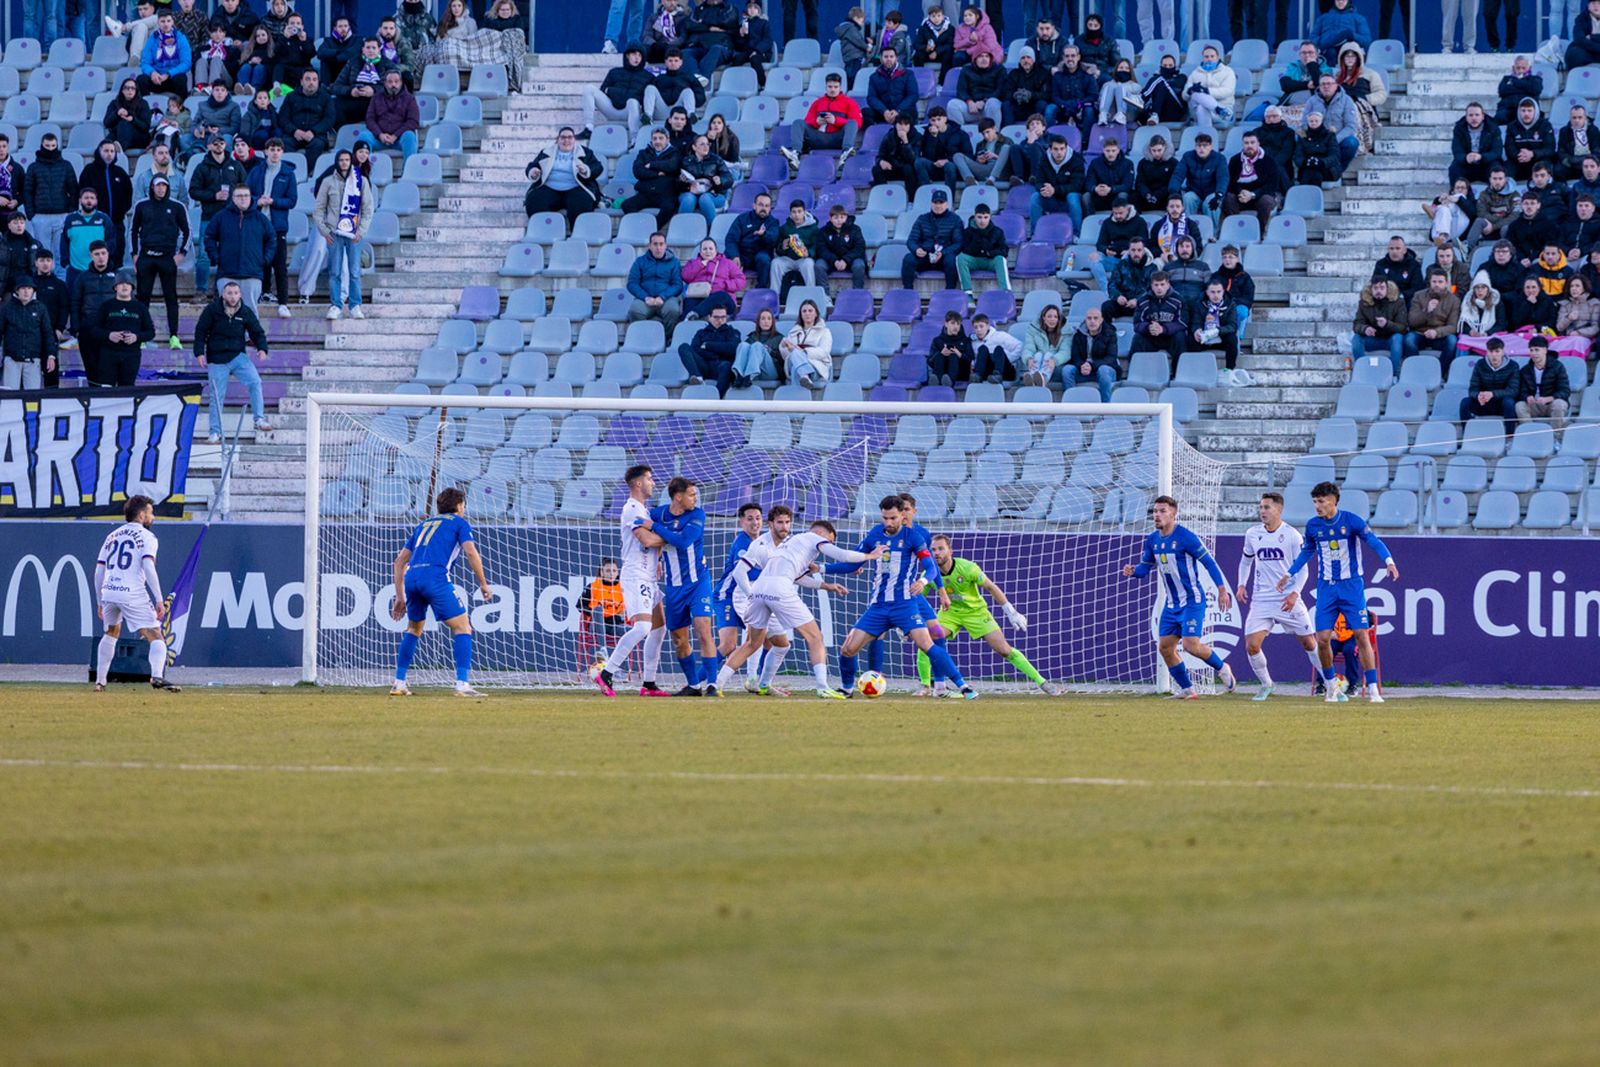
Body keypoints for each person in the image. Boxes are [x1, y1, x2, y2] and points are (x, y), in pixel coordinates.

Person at [713, 516, 876, 701]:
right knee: (815, 637)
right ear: (821, 533)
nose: (826, 546)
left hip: (759, 588)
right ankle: (822, 687)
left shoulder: (789, 543)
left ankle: (720, 685)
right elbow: (844, 556)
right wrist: (871, 556)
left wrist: (828, 585)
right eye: (828, 540)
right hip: (779, 587)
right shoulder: (813, 537)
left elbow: (799, 577)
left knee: (755, 643)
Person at [829, 498, 973, 701]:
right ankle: (846, 689)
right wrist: (823, 568)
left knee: (929, 642)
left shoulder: (914, 537)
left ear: (903, 515)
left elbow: (931, 567)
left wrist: (924, 581)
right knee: (848, 648)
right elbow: (852, 564)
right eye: (885, 518)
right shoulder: (874, 534)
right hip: (878, 607)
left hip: (905, 604)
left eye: (893, 518)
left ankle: (962, 686)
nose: (889, 522)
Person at [1279, 480, 1398, 703]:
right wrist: (1289, 573)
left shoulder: (1351, 521)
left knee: (1362, 635)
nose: (1317, 505)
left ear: (1333, 501)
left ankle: (1372, 689)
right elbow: (1307, 552)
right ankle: (1332, 686)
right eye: (1314, 501)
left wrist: (1388, 561)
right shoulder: (1313, 525)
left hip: (1352, 586)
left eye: (1321, 501)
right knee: (1322, 639)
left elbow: (1372, 540)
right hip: (1326, 587)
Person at [1122, 495, 1236, 700]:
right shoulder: (1153, 540)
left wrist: (1221, 590)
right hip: (1171, 603)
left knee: (1192, 646)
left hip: (1193, 601)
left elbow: (1210, 563)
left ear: (1173, 514)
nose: (1157, 515)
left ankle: (1222, 668)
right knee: (1165, 648)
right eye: (1155, 511)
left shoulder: (1186, 537)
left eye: (1162, 511)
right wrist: (1133, 571)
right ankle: (1188, 690)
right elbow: (1145, 568)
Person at [389, 487, 492, 699]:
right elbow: (471, 551)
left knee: (413, 629)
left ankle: (399, 683)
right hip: (434, 578)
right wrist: (483, 583)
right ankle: (462, 685)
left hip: (412, 579)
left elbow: (399, 561)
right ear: (460, 506)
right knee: (463, 627)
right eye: (463, 505)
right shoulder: (459, 523)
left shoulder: (423, 524)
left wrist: (399, 596)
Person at [919, 534, 1053, 694]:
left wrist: (1011, 612)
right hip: (950, 613)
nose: (937, 553)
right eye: (933, 550)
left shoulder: (968, 568)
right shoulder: (929, 574)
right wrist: (912, 620)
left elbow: (991, 587)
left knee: (1004, 650)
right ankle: (926, 686)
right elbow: (919, 597)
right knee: (928, 639)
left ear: (950, 551)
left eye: (941, 549)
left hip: (976, 612)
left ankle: (1042, 682)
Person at [1232, 492, 1325, 701]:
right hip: (1261, 599)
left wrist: (1294, 593)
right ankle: (1267, 684)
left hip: (1287, 598)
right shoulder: (1252, 534)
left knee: (1309, 643)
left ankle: (1331, 683)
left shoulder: (1292, 535)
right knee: (1252, 645)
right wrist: (1240, 584)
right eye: (1261, 507)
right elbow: (1246, 561)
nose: (1262, 511)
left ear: (1279, 510)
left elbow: (1303, 570)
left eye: (1267, 507)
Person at [93, 496, 181, 693]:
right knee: (155, 634)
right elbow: (148, 567)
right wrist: (159, 599)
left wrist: (100, 600)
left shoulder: (112, 536)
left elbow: (99, 571)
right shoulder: (148, 537)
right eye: (151, 513)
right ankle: (157, 676)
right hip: (132, 592)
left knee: (110, 633)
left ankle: (100, 682)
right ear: (142, 515)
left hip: (109, 591)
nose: (153, 517)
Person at [194, 278, 270, 442]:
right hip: (216, 359)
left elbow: (257, 332)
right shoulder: (212, 310)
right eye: (230, 293)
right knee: (216, 396)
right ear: (223, 295)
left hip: (238, 356)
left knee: (255, 382)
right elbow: (200, 331)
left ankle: (259, 419)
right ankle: (215, 432)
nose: (233, 297)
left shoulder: (245, 311)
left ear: (240, 295)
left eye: (236, 293)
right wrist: (199, 352)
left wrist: (262, 348)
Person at [129, 175, 189, 346]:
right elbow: (132, 230)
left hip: (167, 258)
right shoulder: (142, 205)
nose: (161, 188)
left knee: (171, 297)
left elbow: (187, 231)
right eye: (158, 185)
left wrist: (181, 254)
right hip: (146, 257)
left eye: (164, 185)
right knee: (143, 297)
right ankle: (141, 337)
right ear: (152, 187)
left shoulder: (177, 206)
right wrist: (134, 254)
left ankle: (174, 336)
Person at [313, 150, 370, 320]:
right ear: (337, 161)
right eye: (341, 160)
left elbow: (368, 209)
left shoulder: (361, 181)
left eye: (347, 160)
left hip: (354, 235)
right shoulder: (327, 182)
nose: (344, 163)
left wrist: (361, 231)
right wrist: (324, 231)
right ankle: (336, 305)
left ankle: (355, 306)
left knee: (354, 271)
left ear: (351, 161)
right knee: (335, 272)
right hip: (334, 234)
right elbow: (318, 210)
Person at [206, 185, 276, 313]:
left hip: (252, 274)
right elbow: (209, 237)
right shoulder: (221, 217)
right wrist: (216, 258)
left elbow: (272, 240)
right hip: (227, 273)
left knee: (250, 314)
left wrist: (265, 260)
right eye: (239, 196)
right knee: (225, 315)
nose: (243, 199)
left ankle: (251, 335)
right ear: (233, 198)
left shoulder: (261, 219)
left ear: (250, 198)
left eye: (246, 196)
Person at [246, 139, 297, 316]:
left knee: (279, 263)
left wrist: (274, 201)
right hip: (259, 223)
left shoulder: (288, 173)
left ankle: (283, 302)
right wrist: (256, 201)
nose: (275, 153)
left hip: (278, 225)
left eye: (278, 150)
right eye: (271, 149)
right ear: (265, 151)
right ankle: (264, 293)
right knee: (261, 262)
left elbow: (292, 201)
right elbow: (247, 194)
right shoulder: (256, 171)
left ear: (282, 152)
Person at [90, 269, 156, 387]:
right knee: (106, 388)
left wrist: (136, 337)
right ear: (115, 287)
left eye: (127, 283)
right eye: (120, 283)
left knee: (127, 389)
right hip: (108, 354)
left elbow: (150, 332)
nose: (124, 286)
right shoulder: (107, 306)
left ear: (132, 287)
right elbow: (94, 330)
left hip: (131, 354)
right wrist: (109, 335)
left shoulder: (140, 307)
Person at [523, 127, 603, 221]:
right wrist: (533, 172)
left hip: (577, 187)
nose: (566, 140)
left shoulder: (585, 152)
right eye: (563, 137)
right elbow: (533, 165)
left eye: (570, 137)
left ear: (574, 140)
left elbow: (598, 166)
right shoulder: (547, 152)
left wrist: (586, 170)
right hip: (550, 187)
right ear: (558, 139)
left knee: (581, 203)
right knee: (535, 201)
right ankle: (544, 232)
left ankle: (578, 233)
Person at [0, 277, 58, 391]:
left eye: (29, 288)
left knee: (33, 398)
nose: (26, 291)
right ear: (17, 290)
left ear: (33, 290)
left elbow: (48, 333)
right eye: (23, 288)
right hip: (12, 359)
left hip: (33, 359)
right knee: (10, 396)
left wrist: (51, 356)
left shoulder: (40, 308)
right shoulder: (7, 308)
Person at [582, 45, 650, 139]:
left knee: (633, 101)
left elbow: (643, 99)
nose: (637, 58)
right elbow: (603, 90)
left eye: (640, 55)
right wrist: (624, 93)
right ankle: (588, 128)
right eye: (634, 54)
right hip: (611, 109)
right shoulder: (614, 72)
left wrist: (612, 91)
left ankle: (635, 138)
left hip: (630, 112)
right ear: (627, 55)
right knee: (588, 88)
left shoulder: (648, 77)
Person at [902, 187, 962, 290]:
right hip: (925, 255)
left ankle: (950, 292)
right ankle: (908, 292)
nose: (938, 205)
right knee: (908, 259)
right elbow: (911, 240)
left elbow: (959, 243)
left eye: (941, 202)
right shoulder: (922, 219)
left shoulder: (955, 220)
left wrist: (943, 253)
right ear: (931, 203)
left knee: (951, 260)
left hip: (944, 256)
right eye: (935, 202)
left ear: (947, 204)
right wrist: (917, 249)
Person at [626, 232, 685, 337]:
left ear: (666, 245)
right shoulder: (640, 261)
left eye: (661, 244)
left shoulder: (674, 262)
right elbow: (632, 283)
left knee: (673, 310)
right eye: (655, 244)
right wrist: (645, 297)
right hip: (645, 298)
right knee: (635, 311)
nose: (658, 247)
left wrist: (663, 297)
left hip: (666, 298)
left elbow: (677, 285)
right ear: (649, 246)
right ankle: (642, 338)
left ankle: (667, 339)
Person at [279, 70, 337, 173]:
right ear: (301, 81)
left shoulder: (326, 98)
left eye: (314, 80)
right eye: (308, 79)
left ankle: (305, 172)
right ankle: (289, 172)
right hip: (294, 134)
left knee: (317, 145)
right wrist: (294, 131)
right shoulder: (291, 97)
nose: (311, 82)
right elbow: (283, 118)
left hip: (316, 135)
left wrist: (314, 131)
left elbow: (329, 119)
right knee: (284, 144)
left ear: (318, 82)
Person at [1458, 338, 1520, 432]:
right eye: (1491, 351)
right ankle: (1467, 433)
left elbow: (1513, 391)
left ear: (1503, 352)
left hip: (1501, 404)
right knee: (1465, 403)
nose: (1494, 355)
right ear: (1487, 352)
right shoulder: (1480, 364)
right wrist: (1478, 395)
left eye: (1497, 351)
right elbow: (1472, 389)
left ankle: (1509, 436)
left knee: (1509, 403)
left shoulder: (1513, 366)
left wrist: (1492, 394)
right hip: (1484, 403)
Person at [359, 70, 421, 163]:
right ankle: (365, 172)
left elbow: (413, 121)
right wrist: (380, 134)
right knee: (364, 136)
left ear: (401, 82)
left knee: (410, 136)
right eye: (390, 82)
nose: (393, 85)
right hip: (379, 139)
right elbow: (370, 119)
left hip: (400, 139)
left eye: (396, 81)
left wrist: (395, 135)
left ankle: (409, 172)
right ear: (385, 83)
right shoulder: (376, 97)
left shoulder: (409, 99)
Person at [77, 141, 135, 243]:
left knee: (117, 254)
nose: (109, 154)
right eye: (106, 151)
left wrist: (121, 211)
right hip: (94, 223)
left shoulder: (120, 172)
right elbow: (83, 192)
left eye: (112, 151)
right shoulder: (89, 171)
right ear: (99, 152)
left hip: (117, 223)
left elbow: (128, 193)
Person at [679, 301, 741, 395]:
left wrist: (708, 345)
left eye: (723, 317)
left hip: (722, 367)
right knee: (683, 347)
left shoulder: (733, 332)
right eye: (716, 317)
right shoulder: (701, 333)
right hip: (704, 366)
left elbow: (733, 349)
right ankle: (698, 378)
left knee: (726, 366)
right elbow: (695, 349)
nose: (720, 320)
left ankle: (716, 398)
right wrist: (718, 353)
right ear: (709, 317)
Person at [1132, 271, 1187, 375]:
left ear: (1168, 284)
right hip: (1151, 336)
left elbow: (1182, 323)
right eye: (1156, 285)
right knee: (1137, 338)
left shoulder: (1178, 300)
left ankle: (1178, 374)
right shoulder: (1143, 300)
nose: (1159, 288)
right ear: (1151, 286)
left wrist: (1163, 329)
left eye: (1162, 284)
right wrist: (1148, 328)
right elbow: (1137, 323)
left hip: (1170, 337)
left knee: (1181, 337)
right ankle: (1136, 373)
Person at [1350, 276, 1408, 375]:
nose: (1378, 291)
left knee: (1398, 338)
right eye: (1375, 288)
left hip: (1390, 339)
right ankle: (1362, 371)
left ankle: (1394, 373)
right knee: (1356, 339)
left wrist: (1387, 324)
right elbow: (1357, 324)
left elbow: (1403, 327)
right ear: (1371, 289)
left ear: (1387, 289)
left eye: (1382, 288)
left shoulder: (1398, 302)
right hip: (1373, 339)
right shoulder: (1364, 303)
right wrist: (1365, 329)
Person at [1028, 134, 1084, 236]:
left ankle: (1077, 234)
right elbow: (1038, 181)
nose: (1059, 152)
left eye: (1062, 149)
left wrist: (1055, 190)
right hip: (1051, 198)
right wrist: (1044, 189)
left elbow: (1077, 186)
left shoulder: (1076, 160)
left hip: (1068, 199)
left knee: (1072, 197)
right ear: (1050, 149)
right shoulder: (1044, 160)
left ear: (1066, 148)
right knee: (1035, 197)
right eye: (1056, 149)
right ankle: (1034, 234)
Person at [61, 190, 120, 284]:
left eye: (92, 198)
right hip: (75, 270)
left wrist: (105, 262)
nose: (89, 201)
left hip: (98, 270)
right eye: (86, 198)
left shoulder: (104, 219)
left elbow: (112, 242)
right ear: (80, 200)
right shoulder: (70, 219)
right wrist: (67, 264)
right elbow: (64, 242)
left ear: (96, 201)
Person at [681, 237, 747, 320]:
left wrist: (723, 285)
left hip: (723, 299)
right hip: (699, 296)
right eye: (705, 249)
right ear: (700, 251)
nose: (708, 251)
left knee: (721, 295)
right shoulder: (693, 263)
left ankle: (695, 313)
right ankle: (684, 324)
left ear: (716, 250)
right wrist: (700, 264)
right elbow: (685, 276)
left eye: (710, 248)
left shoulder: (728, 263)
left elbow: (741, 281)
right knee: (690, 301)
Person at [1306, 74, 1360, 173]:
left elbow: (1351, 126)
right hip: (1317, 140)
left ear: (1336, 85)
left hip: (1337, 139)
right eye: (1323, 84)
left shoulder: (1346, 100)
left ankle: (1336, 170)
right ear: (1319, 86)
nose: (1326, 86)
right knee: (1297, 138)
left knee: (1352, 142)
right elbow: (1304, 123)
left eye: (1329, 84)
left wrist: (1334, 139)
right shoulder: (1311, 101)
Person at [1170, 133, 1225, 226]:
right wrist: (1173, 191)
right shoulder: (1188, 157)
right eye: (1199, 145)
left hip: (1212, 192)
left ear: (1211, 146)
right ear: (1195, 146)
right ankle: (1187, 229)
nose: (1201, 148)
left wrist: (1219, 194)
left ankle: (1213, 233)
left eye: (1205, 145)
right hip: (1194, 191)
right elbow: (1178, 175)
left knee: (1211, 201)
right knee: (1187, 198)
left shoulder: (1219, 158)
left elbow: (1223, 178)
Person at [726, 192, 780, 285]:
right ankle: (725, 287)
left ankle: (761, 289)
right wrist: (735, 256)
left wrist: (764, 235)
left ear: (770, 208)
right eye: (761, 205)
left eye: (767, 206)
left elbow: (773, 240)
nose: (764, 208)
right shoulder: (742, 218)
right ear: (754, 206)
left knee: (764, 259)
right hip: (742, 253)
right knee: (726, 256)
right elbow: (731, 239)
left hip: (761, 253)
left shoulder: (773, 222)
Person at [1518, 337, 1573, 427]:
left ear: (1545, 350)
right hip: (1534, 405)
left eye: (1537, 350)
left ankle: (1556, 435)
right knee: (1519, 406)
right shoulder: (1525, 370)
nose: (1533, 353)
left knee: (1559, 404)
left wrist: (1549, 398)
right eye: (1531, 350)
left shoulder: (1557, 367)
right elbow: (1522, 391)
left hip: (1552, 403)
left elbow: (1565, 391)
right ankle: (1529, 432)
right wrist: (1527, 397)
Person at [954, 203, 1008, 296]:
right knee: (960, 258)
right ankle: (967, 295)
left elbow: (1004, 250)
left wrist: (989, 253)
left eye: (985, 217)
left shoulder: (997, 231)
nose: (982, 221)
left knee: (1000, 259)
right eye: (979, 217)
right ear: (974, 216)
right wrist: (979, 238)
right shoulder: (967, 232)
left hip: (990, 260)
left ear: (990, 217)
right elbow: (965, 249)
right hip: (973, 261)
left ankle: (1005, 293)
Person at [771, 199, 820, 300]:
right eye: (794, 212)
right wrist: (782, 247)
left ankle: (811, 296)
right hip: (788, 259)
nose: (796, 215)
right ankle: (775, 296)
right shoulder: (784, 228)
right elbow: (778, 249)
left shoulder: (813, 228)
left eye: (799, 211)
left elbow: (816, 246)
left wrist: (809, 253)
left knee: (808, 264)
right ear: (790, 213)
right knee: (776, 263)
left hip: (803, 259)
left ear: (804, 212)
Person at [677, 136, 733, 224]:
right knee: (688, 199)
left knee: (705, 198)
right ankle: (680, 228)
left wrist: (720, 180)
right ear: (694, 147)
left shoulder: (716, 159)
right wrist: (683, 183)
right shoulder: (686, 161)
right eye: (702, 144)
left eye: (707, 144)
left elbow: (729, 178)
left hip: (714, 194)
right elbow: (676, 183)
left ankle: (712, 231)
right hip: (691, 194)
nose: (706, 146)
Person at [1067, 305, 1118, 399]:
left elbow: (1111, 358)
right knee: (1067, 370)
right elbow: (1075, 356)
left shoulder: (1110, 334)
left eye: (1095, 318)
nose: (1092, 321)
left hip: (1105, 371)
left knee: (1103, 370)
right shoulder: (1078, 335)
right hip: (1084, 370)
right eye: (1089, 318)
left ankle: (1106, 408)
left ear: (1101, 320)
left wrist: (1092, 365)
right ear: (1085, 320)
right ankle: (1071, 403)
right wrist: (1082, 365)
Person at [138, 11, 193, 99]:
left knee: (181, 78)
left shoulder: (180, 38)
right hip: (156, 78)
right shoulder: (153, 38)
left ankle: (181, 107)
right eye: (163, 21)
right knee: (141, 79)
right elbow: (145, 62)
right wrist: (152, 73)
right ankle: (146, 107)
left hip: (172, 78)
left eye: (168, 21)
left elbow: (186, 63)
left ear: (173, 22)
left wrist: (168, 74)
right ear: (158, 22)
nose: (166, 24)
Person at [779, 298, 832, 388]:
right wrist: (784, 347)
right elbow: (785, 357)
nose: (807, 313)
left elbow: (824, 352)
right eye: (804, 311)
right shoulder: (793, 332)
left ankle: (804, 377)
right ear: (801, 314)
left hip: (815, 366)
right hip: (794, 361)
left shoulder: (824, 331)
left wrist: (804, 352)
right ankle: (805, 376)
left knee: (796, 369)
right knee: (795, 356)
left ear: (816, 314)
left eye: (810, 311)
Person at [1189, 278, 1239, 371]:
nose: (1216, 295)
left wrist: (1217, 331)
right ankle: (1195, 370)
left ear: (1223, 292)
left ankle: (1229, 370)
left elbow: (1232, 326)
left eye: (1219, 292)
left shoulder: (1230, 304)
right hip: (1204, 338)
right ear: (1207, 292)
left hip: (1221, 338)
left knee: (1232, 339)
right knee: (1190, 339)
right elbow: (1196, 322)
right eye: (1212, 292)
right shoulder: (1199, 304)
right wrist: (1196, 330)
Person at [1448, 103, 1504, 187]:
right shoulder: (1459, 128)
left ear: (1483, 116)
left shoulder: (1493, 128)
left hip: (1486, 163)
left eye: (1477, 115)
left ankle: (1496, 196)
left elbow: (1497, 151)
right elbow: (1457, 150)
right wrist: (1465, 158)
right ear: (1466, 117)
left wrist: (1481, 157)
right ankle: (1457, 195)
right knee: (1454, 168)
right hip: (1467, 164)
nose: (1474, 118)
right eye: (1470, 115)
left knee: (1496, 168)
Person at [1185, 45, 1236, 135]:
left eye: (1212, 56)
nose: (1209, 59)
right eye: (1206, 57)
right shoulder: (1195, 73)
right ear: (1203, 58)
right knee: (1195, 95)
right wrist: (1189, 91)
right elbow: (1184, 95)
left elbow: (1228, 91)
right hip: (1202, 113)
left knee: (1201, 106)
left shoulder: (1227, 71)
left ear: (1217, 57)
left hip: (1223, 109)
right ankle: (1218, 109)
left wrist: (1207, 91)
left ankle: (1206, 139)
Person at [863, 45, 919, 128]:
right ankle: (872, 135)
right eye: (886, 57)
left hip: (902, 111)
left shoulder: (908, 74)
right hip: (883, 112)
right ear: (881, 59)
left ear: (896, 58)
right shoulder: (874, 77)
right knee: (865, 112)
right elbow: (871, 97)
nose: (889, 59)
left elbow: (913, 95)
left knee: (911, 113)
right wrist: (884, 111)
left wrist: (898, 111)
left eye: (891, 56)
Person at [1103, 236, 1156, 322]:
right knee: (1106, 307)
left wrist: (1137, 300)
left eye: (1139, 250)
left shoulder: (1152, 268)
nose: (1136, 253)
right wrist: (1118, 296)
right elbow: (1112, 284)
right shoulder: (1120, 265)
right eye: (1133, 250)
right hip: (1122, 303)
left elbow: (1152, 289)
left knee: (1149, 308)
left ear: (1144, 251)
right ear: (1129, 251)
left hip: (1141, 304)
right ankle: (1108, 333)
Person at [818, 204, 868, 291]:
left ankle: (858, 292)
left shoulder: (855, 229)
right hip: (831, 260)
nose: (839, 220)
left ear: (846, 217)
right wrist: (834, 260)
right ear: (830, 218)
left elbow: (860, 247)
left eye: (842, 217)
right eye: (836, 218)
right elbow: (821, 249)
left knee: (859, 265)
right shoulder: (824, 231)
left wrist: (845, 260)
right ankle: (825, 296)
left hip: (851, 259)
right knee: (819, 265)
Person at [1505, 97, 1556, 183]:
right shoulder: (1512, 126)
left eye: (1529, 110)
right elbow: (1509, 148)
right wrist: (1520, 155)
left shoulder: (1545, 125)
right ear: (1519, 111)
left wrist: (1533, 154)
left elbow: (1550, 149)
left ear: (1535, 111)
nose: (1526, 114)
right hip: (1518, 160)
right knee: (1506, 168)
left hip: (1538, 160)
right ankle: (1507, 193)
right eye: (1523, 110)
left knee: (1547, 165)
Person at [1048, 45, 1097, 133]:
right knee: (1050, 109)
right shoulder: (1057, 75)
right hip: (1063, 108)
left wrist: (1080, 104)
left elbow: (1093, 96)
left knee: (1089, 111)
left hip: (1082, 108)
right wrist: (1065, 105)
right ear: (1063, 58)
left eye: (1073, 55)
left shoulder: (1087, 74)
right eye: (1067, 56)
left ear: (1078, 57)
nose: (1070, 59)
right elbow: (1054, 96)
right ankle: (1048, 140)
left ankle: (1085, 142)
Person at [916, 106, 968, 188]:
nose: (936, 123)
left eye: (939, 119)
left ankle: (949, 197)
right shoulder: (927, 133)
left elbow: (968, 155)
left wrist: (947, 160)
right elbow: (927, 156)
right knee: (919, 162)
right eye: (933, 120)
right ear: (929, 121)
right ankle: (927, 191)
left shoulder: (960, 133)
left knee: (949, 166)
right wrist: (933, 137)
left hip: (954, 168)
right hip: (935, 166)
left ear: (945, 119)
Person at [733, 307, 784, 386]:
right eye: (763, 319)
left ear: (772, 322)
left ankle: (749, 376)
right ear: (758, 321)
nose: (766, 321)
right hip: (753, 373)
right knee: (743, 345)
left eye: (769, 319)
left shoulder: (779, 338)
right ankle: (739, 375)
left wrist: (770, 351)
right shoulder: (752, 336)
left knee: (757, 345)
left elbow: (783, 359)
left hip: (769, 372)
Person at [953, 49, 1004, 128]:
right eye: (980, 56)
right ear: (974, 59)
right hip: (972, 108)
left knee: (993, 102)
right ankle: (959, 136)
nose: (984, 59)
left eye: (987, 56)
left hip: (990, 107)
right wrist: (969, 102)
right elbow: (961, 90)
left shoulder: (999, 69)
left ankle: (994, 136)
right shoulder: (966, 70)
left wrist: (984, 101)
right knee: (952, 104)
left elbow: (1000, 90)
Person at [1022, 303, 1069, 386]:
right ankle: (1033, 378)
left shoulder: (1066, 331)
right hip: (1037, 364)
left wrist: (1054, 360)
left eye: (1055, 317)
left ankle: (1043, 378)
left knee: (1048, 355)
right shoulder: (1033, 329)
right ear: (1043, 318)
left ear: (1059, 319)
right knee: (1038, 355)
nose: (1053, 319)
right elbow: (1029, 347)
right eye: (1049, 316)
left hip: (1056, 366)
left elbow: (1065, 352)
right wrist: (1028, 358)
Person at [102, 79, 153, 155]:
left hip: (139, 138)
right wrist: (116, 114)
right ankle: (108, 152)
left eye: (133, 88)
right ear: (122, 90)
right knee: (107, 142)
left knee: (124, 123)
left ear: (136, 90)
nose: (130, 90)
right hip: (118, 135)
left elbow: (145, 127)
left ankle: (119, 150)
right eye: (127, 88)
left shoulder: (143, 103)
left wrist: (132, 119)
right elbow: (106, 123)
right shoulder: (114, 103)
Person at [1295, 109, 1344, 186]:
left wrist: (1322, 162)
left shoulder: (1329, 135)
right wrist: (1305, 162)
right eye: (1311, 121)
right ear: (1308, 122)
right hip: (1308, 167)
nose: (1313, 123)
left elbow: (1335, 155)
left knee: (1314, 173)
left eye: (1316, 121)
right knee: (1312, 172)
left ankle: (1306, 196)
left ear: (1321, 122)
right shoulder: (1303, 136)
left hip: (1327, 168)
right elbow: (1298, 156)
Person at [1004, 47, 1052, 127]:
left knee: (1042, 104)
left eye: (1028, 57)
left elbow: (1046, 95)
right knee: (1006, 104)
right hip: (1018, 107)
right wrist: (1015, 95)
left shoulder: (1043, 73)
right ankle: (1008, 130)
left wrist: (1031, 95)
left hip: (1034, 108)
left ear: (1033, 59)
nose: (1026, 61)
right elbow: (1006, 93)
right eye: (1023, 58)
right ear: (1019, 61)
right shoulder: (1013, 74)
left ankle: (1038, 130)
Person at [1084, 139, 1133, 215]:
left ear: (1118, 150)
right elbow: (1089, 182)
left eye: (1113, 151)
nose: (1110, 154)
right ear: (1103, 150)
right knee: (1086, 196)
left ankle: (1120, 220)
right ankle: (1089, 220)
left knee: (1123, 195)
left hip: (1116, 194)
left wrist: (1111, 189)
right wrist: (1095, 189)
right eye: (1108, 151)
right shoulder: (1095, 163)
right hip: (1100, 195)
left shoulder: (1128, 163)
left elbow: (1127, 185)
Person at [971, 312, 1022, 383]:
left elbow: (1020, 346)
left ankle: (997, 375)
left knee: (998, 349)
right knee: (982, 349)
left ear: (988, 326)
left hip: (1005, 371)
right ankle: (977, 376)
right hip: (987, 372)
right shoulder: (973, 342)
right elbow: (972, 359)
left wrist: (1007, 358)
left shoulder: (1000, 336)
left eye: (981, 326)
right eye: (975, 327)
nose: (978, 330)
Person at [1137, 54, 1186, 125]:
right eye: (1165, 66)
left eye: (1170, 65)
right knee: (1158, 81)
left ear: (1175, 66)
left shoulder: (1181, 78)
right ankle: (1154, 114)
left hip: (1175, 110)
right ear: (1161, 66)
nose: (1167, 67)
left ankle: (1141, 99)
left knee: (1160, 81)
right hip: (1160, 112)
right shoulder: (1156, 80)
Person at [926, 310, 972, 386]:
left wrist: (959, 354)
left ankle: (950, 382)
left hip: (960, 373)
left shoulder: (966, 340)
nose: (956, 326)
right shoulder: (937, 340)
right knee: (939, 356)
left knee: (953, 355)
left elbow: (970, 360)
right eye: (953, 323)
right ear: (946, 324)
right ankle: (937, 381)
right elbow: (930, 361)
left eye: (958, 324)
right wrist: (941, 353)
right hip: (942, 371)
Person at [1096, 57, 1142, 128]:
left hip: (1128, 114)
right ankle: (1103, 115)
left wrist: (1122, 92)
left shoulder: (1136, 86)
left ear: (1131, 71)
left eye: (1127, 68)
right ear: (1116, 69)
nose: (1124, 70)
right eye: (1121, 68)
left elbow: (1139, 104)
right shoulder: (1107, 85)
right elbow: (1100, 100)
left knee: (1120, 88)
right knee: (1110, 86)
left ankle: (1121, 114)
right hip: (1110, 113)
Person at [1457, 270, 1503, 339]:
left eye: (1483, 287)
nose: (1480, 290)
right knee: (1461, 347)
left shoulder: (1496, 303)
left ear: (1488, 289)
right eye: (1477, 287)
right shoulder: (1467, 302)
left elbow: (1501, 324)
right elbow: (1462, 323)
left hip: (1490, 336)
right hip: (1471, 337)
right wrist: (1470, 331)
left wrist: (1488, 333)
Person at [913, 5, 956, 75]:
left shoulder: (950, 28)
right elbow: (916, 44)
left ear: (943, 16)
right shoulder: (923, 28)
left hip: (941, 54)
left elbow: (950, 45)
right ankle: (921, 78)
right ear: (929, 17)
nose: (936, 18)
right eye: (933, 16)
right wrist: (926, 48)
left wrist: (937, 52)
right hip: (927, 54)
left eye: (939, 16)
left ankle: (943, 81)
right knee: (917, 55)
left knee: (949, 53)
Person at [1567, 0, 1600, 71]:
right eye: (1593, 3)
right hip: (1586, 50)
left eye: (1599, 3)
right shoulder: (1581, 19)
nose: (1596, 6)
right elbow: (1579, 39)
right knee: (1574, 54)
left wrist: (1591, 37)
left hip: (1590, 48)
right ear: (1588, 6)